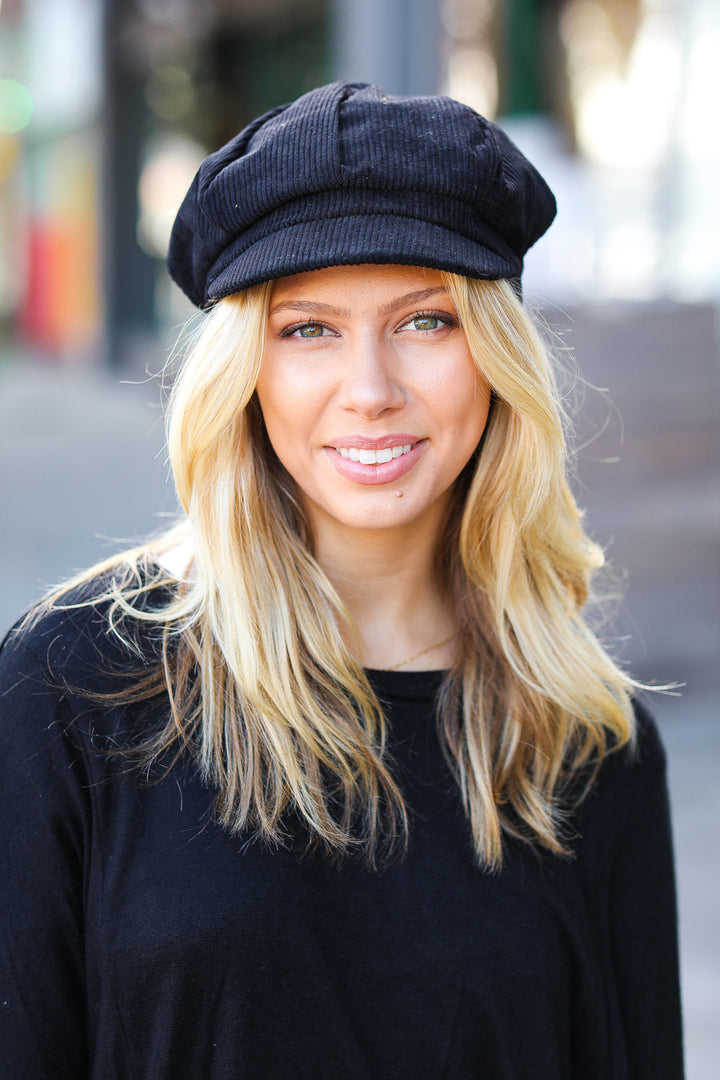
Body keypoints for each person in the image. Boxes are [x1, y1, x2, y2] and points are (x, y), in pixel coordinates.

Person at [0, 81, 683, 1079]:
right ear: (246, 372)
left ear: (496, 358)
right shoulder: (70, 690)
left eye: (426, 322)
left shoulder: (586, 744)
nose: (369, 390)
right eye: (307, 328)